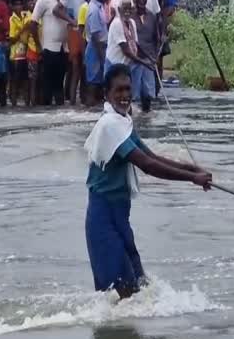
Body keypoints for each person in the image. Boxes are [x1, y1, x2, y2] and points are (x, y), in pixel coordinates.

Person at [84, 64, 212, 298]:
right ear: (107, 94)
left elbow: (151, 155)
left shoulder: (122, 121)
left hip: (120, 217)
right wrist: (192, 178)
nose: (124, 96)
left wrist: (191, 168)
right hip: (103, 219)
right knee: (118, 299)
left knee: (137, 293)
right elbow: (147, 166)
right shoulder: (110, 125)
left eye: (128, 89)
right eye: (118, 90)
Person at [32, 0, 73, 106]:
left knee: (59, 83)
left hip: (63, 48)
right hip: (49, 49)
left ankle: (60, 113)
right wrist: (39, 46)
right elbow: (33, 23)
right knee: (47, 85)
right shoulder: (43, 0)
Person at [61, 0, 89, 105]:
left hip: (88, 34)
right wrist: (70, 20)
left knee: (85, 69)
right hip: (74, 32)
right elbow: (57, 10)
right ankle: (72, 101)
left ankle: (84, 99)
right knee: (76, 68)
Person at [84, 0, 113, 107]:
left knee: (98, 80)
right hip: (96, 47)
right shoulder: (94, 9)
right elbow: (95, 35)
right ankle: (90, 107)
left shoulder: (99, 7)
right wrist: (102, 55)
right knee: (93, 81)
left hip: (100, 46)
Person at [131, 0, 161, 113]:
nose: (142, 0)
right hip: (135, 57)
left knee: (147, 91)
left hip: (149, 58)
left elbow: (156, 38)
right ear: (135, 0)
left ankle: (146, 112)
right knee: (134, 90)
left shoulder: (151, 16)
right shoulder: (131, 16)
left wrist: (155, 56)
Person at [8, 0, 34, 106]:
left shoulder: (26, 15)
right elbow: (12, 39)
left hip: (27, 52)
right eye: (16, 4)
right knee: (15, 81)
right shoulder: (11, 19)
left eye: (20, 4)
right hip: (15, 55)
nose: (18, 7)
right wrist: (23, 28)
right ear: (12, 6)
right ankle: (14, 104)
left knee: (26, 80)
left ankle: (27, 104)